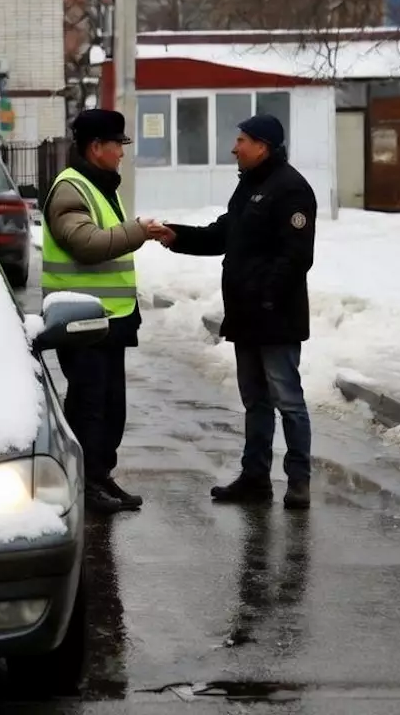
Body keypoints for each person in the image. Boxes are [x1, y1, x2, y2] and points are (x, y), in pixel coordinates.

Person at [148, 114, 316, 510]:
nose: (234, 147)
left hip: (275, 318)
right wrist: (177, 235)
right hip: (246, 317)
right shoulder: (249, 187)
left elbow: (296, 258)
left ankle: (299, 481)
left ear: (263, 146)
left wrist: (266, 299)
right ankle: (255, 479)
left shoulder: (291, 190)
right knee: (255, 402)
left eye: (241, 140)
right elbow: (223, 234)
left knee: (288, 400)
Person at [41, 108, 163, 515]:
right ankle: (83, 483)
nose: (122, 154)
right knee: (89, 405)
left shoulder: (98, 184)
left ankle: (99, 474)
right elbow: (87, 244)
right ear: (97, 147)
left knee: (111, 406)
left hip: (107, 318)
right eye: (118, 145)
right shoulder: (71, 188)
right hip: (82, 320)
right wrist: (138, 231)